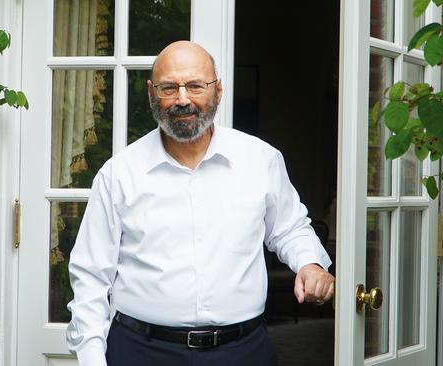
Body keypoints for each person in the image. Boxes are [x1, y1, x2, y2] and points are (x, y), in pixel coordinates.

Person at [66, 41, 335, 366]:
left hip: (243, 352)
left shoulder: (260, 160)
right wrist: (92, 360)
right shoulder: (120, 174)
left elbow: (289, 228)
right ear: (152, 93)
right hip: (141, 352)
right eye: (169, 88)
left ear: (217, 90)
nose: (183, 99)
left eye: (195, 85)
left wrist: (309, 264)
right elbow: (91, 277)